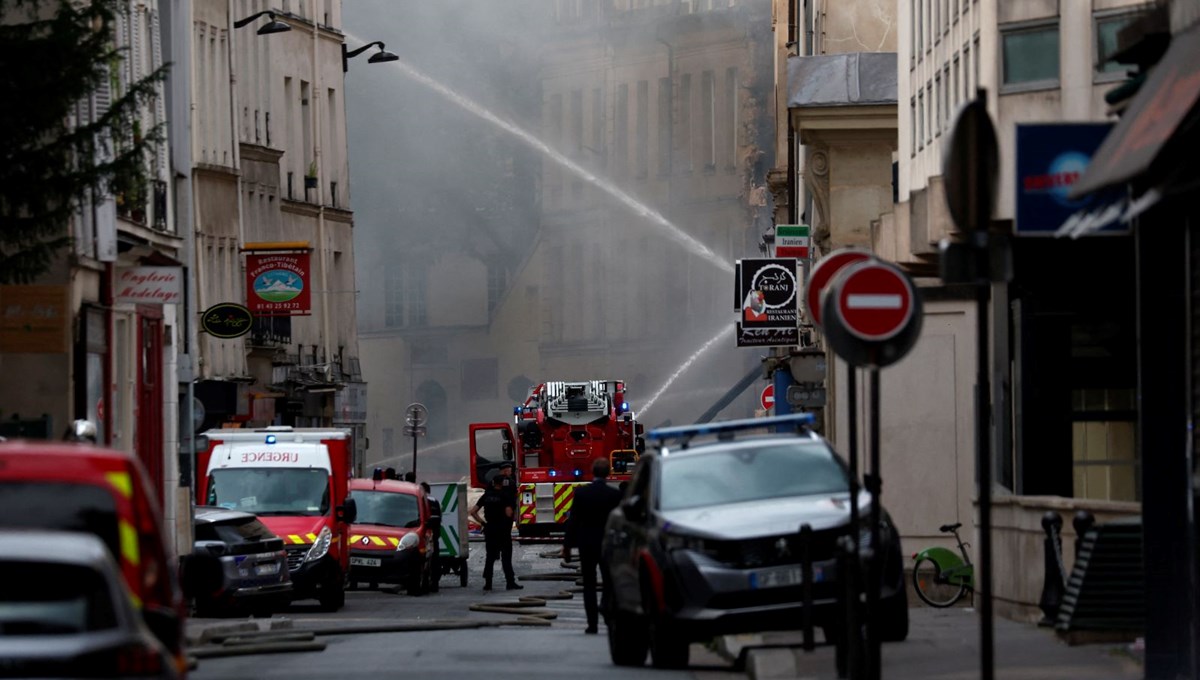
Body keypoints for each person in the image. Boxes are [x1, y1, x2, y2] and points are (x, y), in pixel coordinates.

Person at [563, 458, 623, 634]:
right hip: (608, 545)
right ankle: (606, 608)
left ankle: (592, 624)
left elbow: (573, 521)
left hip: (587, 544)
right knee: (609, 582)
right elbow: (619, 523)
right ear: (609, 474)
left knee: (589, 584)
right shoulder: (615, 495)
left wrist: (567, 546)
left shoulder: (582, 494)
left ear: (592, 472)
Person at [469, 472, 522, 591]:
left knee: (490, 557)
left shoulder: (486, 496)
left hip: (490, 529)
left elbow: (473, 512)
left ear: (493, 483)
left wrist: (483, 524)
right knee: (506, 556)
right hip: (503, 530)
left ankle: (488, 583)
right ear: (502, 484)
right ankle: (510, 582)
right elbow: (509, 513)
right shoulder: (505, 496)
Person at [420, 481, 442, 594]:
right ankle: (434, 583)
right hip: (434, 536)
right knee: (435, 560)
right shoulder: (435, 501)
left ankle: (424, 583)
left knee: (423, 560)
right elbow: (439, 519)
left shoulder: (421, 501)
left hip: (424, 537)